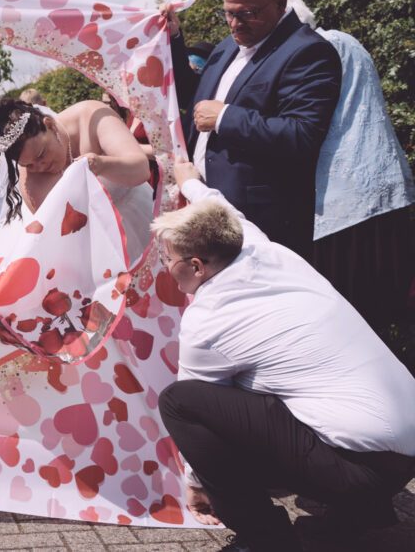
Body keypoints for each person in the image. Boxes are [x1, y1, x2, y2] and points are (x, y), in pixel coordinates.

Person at [154, 158, 415, 552]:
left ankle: (265, 540)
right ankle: (361, 512)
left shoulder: (206, 320)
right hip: (406, 457)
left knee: (180, 401)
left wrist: (197, 484)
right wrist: (189, 182)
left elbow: (200, 414)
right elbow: (221, 206)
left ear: (195, 266)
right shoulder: (261, 247)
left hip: (358, 471)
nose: (165, 267)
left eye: (166, 260)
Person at [164, 0, 342, 262]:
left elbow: (301, 135)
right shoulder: (226, 46)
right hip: (206, 208)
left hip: (259, 220)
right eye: (228, 13)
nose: (235, 23)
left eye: (247, 13)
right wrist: (173, 39)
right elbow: (194, 94)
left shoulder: (309, 52)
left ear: (280, 3)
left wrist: (224, 117)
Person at [284, 0, 414, 348]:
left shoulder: (314, 51)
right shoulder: (346, 42)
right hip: (384, 189)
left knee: (351, 321)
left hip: (341, 200)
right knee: (387, 312)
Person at [0, 98, 152, 262]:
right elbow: (56, 234)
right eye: (29, 165)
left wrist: (101, 165)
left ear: (50, 125)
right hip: (82, 248)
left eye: (41, 154)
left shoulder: (91, 116)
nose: (40, 166)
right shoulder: (29, 177)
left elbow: (141, 169)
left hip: (137, 218)